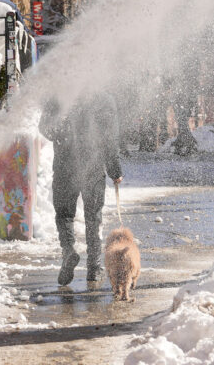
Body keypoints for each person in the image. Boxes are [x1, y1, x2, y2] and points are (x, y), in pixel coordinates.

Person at [39, 96, 123, 286]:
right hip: (92, 167)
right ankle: (94, 267)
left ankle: (68, 250)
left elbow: (45, 127)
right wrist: (114, 168)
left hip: (64, 166)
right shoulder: (103, 96)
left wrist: (64, 134)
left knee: (64, 214)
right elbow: (110, 136)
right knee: (93, 216)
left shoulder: (61, 92)